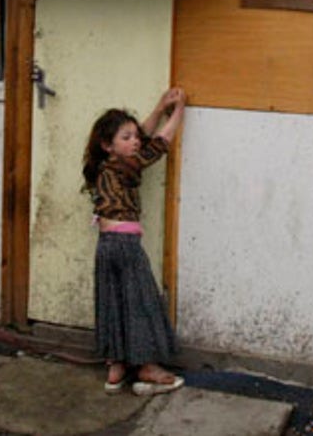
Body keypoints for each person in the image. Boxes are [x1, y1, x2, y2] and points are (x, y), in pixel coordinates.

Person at [81, 87, 186, 396]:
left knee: (112, 302)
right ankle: (147, 367)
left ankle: (115, 369)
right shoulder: (125, 166)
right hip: (126, 247)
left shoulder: (103, 167)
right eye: (125, 138)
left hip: (106, 246)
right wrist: (179, 110)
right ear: (108, 145)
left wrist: (157, 107)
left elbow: (141, 138)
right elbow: (159, 144)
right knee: (140, 303)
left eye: (134, 136)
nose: (135, 141)